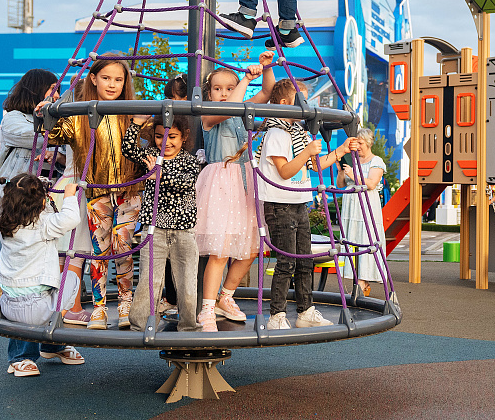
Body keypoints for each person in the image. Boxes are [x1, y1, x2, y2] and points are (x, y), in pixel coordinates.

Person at [44, 56, 142, 330]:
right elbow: (51, 135)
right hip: (97, 193)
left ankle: (125, 301)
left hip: (130, 191)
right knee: (99, 250)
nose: (112, 84)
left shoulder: (132, 113)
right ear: (94, 79)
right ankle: (99, 306)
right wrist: (48, 112)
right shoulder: (79, 116)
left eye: (119, 79)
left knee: (123, 247)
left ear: (125, 83)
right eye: (107, 78)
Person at [0, 69, 87, 364]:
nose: (57, 97)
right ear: (37, 92)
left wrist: (58, 156)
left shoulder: (41, 120)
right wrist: (55, 120)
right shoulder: (13, 118)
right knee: (20, 275)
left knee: (48, 273)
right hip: (17, 208)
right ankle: (21, 353)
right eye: (52, 91)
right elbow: (38, 135)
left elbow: (52, 151)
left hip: (40, 206)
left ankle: (52, 342)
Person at [258, 79, 360, 329]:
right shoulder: (276, 133)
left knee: (304, 259)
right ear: (285, 104)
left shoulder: (298, 133)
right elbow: (284, 171)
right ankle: (276, 316)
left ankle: (305, 310)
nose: (307, 106)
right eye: (301, 100)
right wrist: (306, 153)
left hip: (299, 201)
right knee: (286, 261)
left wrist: (339, 151)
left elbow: (314, 165)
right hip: (279, 203)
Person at [192, 54, 275, 329]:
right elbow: (229, 108)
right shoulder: (209, 114)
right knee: (220, 250)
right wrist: (245, 80)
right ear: (209, 93)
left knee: (251, 249)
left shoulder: (244, 111)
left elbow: (267, 92)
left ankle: (225, 297)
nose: (224, 93)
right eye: (218, 89)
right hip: (220, 183)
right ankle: (206, 307)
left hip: (244, 182)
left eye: (230, 88)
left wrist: (266, 67)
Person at [0, 175, 87, 377]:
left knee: (44, 291)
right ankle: (23, 357)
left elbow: (26, 206)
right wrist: (69, 196)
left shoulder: (6, 223)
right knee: (69, 280)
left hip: (7, 304)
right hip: (35, 309)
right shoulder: (44, 225)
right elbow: (70, 219)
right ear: (43, 202)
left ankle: (51, 346)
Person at [124, 115, 202, 333]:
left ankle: (189, 326)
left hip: (183, 229)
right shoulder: (151, 155)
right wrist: (137, 124)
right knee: (150, 280)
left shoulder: (190, 160)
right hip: (154, 228)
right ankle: (140, 325)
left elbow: (186, 182)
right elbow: (128, 149)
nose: (166, 142)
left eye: (173, 137)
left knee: (187, 281)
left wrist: (159, 175)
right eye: (160, 136)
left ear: (184, 137)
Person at [337, 126, 386, 296]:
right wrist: (342, 171)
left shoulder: (376, 161)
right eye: (355, 143)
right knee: (352, 239)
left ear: (368, 143)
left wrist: (352, 174)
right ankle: (357, 280)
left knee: (366, 238)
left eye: (360, 143)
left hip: (367, 206)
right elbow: (341, 185)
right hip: (351, 207)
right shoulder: (351, 160)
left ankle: (362, 281)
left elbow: (371, 184)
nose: (357, 146)